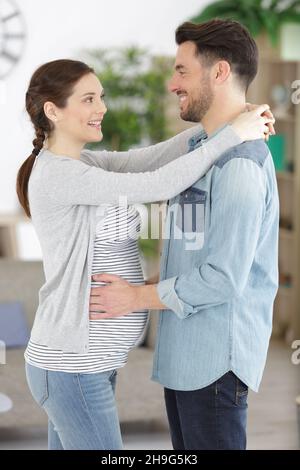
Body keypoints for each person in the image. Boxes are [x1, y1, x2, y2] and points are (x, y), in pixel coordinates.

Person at [17, 58, 272, 450]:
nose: (101, 107)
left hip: (88, 367)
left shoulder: (85, 162)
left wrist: (226, 125)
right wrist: (231, 136)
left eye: (100, 96)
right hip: (71, 367)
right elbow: (160, 182)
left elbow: (152, 158)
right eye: (88, 99)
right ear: (53, 111)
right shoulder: (59, 175)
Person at [90, 19, 279, 450]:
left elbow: (223, 278)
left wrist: (135, 298)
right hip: (184, 359)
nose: (172, 83)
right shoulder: (201, 150)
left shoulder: (240, 165)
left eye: (182, 71)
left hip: (215, 365)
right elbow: (192, 246)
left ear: (220, 72)